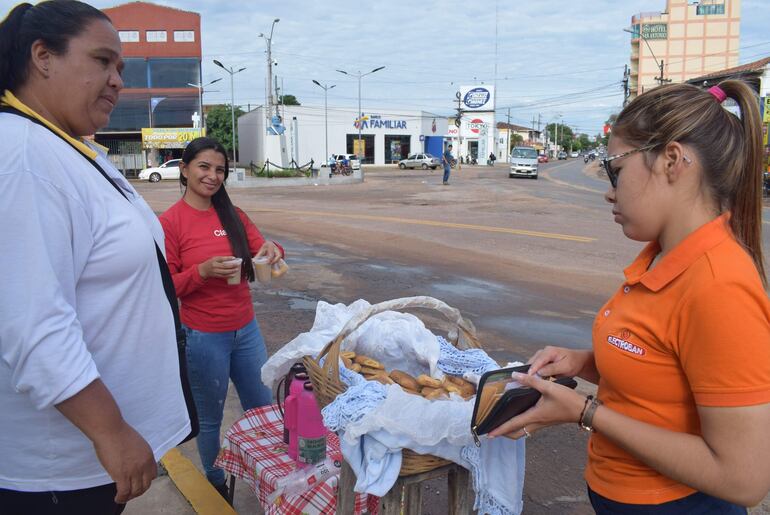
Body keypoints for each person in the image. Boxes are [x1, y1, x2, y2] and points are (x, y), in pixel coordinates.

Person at [490, 80, 770, 513]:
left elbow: (743, 478)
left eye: (615, 170)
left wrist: (585, 412)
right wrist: (582, 363)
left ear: (672, 161)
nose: (609, 190)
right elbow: (660, 369)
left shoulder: (720, 285)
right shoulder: (661, 257)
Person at [0, 2, 191, 513]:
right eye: (102, 61)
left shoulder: (65, 147)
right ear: (43, 57)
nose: (117, 81)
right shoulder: (23, 156)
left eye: (121, 68)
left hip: (89, 463)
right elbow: (32, 323)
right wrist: (110, 431)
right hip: (59, 474)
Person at [159, 137, 283, 497]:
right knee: (209, 417)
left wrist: (274, 250)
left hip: (246, 331)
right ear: (184, 170)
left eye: (220, 170)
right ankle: (217, 483)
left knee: (263, 408)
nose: (212, 176)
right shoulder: (169, 223)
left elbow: (263, 249)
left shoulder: (233, 215)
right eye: (204, 167)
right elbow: (168, 286)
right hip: (202, 337)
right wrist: (203, 271)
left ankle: (269, 478)